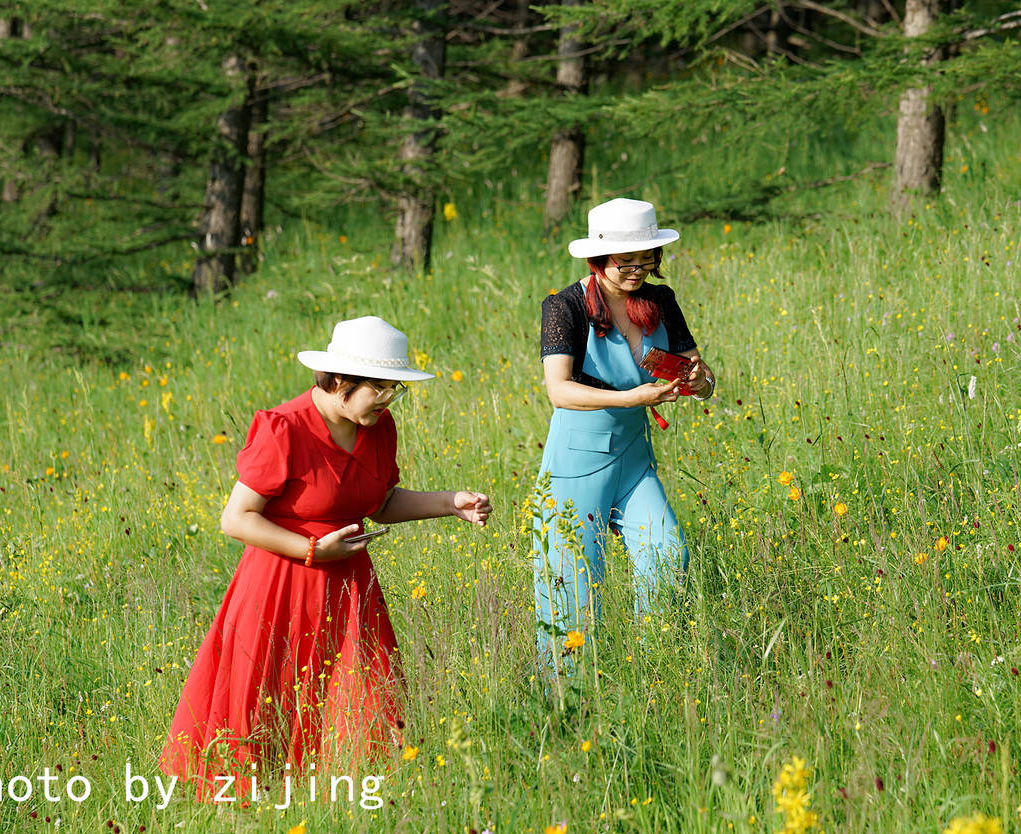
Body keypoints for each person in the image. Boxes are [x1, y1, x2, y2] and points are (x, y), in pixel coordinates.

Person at [161, 316, 493, 801]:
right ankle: (248, 815)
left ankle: (348, 808)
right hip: (279, 589)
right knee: (265, 710)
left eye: (394, 390)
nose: (388, 400)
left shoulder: (376, 428)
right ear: (339, 383)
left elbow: (378, 503)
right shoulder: (285, 429)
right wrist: (314, 549)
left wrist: (450, 504)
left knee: (362, 706)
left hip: (349, 592)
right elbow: (235, 518)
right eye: (379, 389)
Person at [534, 197, 715, 673]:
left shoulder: (661, 301)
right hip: (577, 462)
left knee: (667, 551)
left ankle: (653, 669)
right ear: (598, 257)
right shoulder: (564, 307)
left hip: (634, 458)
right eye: (626, 261)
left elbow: (702, 371)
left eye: (647, 259)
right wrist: (633, 398)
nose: (638, 270)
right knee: (573, 583)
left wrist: (700, 382)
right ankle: (564, 695)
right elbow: (559, 391)